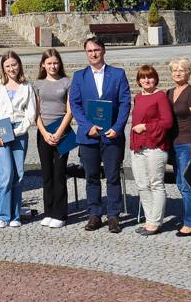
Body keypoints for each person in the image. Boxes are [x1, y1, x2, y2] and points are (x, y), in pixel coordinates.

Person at [69, 36, 131, 233]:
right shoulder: (79, 76)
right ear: (86, 53)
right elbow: (75, 104)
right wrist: (87, 127)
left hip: (112, 134)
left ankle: (113, 215)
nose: (93, 54)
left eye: (96, 50)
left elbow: (125, 103)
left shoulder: (118, 74)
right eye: (89, 51)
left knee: (112, 176)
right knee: (92, 176)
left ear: (103, 50)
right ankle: (94, 214)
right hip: (89, 136)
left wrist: (118, 127)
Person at [0, 50, 35, 228]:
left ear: (19, 64)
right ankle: (3, 215)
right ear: (3, 68)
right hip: (1, 130)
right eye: (8, 66)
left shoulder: (26, 85)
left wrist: (20, 130)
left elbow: (31, 112)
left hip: (19, 131)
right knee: (6, 175)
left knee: (19, 175)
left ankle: (15, 215)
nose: (11, 68)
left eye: (14, 64)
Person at [130, 65, 174, 236]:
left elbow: (167, 122)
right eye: (143, 77)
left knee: (156, 184)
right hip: (138, 146)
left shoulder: (160, 96)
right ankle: (149, 219)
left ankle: (156, 222)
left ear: (155, 79)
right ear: (139, 80)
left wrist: (146, 127)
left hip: (155, 146)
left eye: (150, 77)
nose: (146, 80)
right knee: (141, 184)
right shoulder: (138, 97)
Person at [34, 48, 72, 228]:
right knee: (47, 173)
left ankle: (60, 213)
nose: (52, 66)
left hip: (62, 132)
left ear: (60, 64)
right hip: (44, 132)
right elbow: (36, 112)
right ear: (43, 65)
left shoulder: (67, 82)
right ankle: (48, 211)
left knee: (59, 173)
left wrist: (58, 132)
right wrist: (44, 132)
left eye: (55, 63)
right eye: (49, 63)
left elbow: (70, 110)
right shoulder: (38, 84)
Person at [166, 58, 191, 237]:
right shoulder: (169, 92)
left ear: (189, 72)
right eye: (175, 70)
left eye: (182, 70)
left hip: (187, 143)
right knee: (181, 183)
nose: (178, 73)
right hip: (173, 145)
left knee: (186, 183)